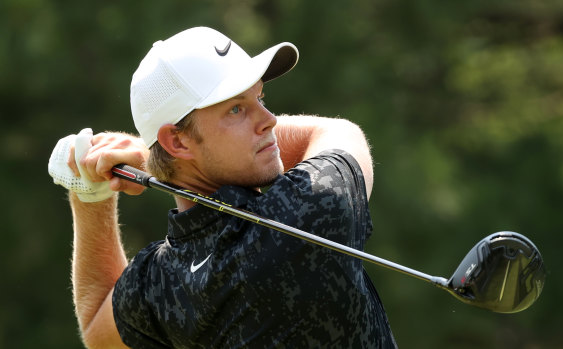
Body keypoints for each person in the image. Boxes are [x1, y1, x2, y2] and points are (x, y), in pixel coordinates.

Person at [49, 26, 397, 348]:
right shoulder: (308, 212)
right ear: (177, 142)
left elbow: (97, 326)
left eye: (260, 98)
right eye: (236, 109)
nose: (269, 120)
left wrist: (90, 193)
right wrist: (145, 154)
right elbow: (338, 133)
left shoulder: (160, 284)